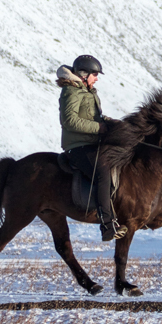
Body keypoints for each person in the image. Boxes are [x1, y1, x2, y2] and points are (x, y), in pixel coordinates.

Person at [55, 55, 125, 242]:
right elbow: (69, 121)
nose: (97, 78)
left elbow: (95, 118)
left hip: (91, 143)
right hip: (77, 147)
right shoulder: (71, 91)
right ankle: (108, 224)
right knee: (102, 172)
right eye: (94, 74)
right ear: (83, 74)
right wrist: (100, 128)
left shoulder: (88, 91)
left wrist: (113, 124)